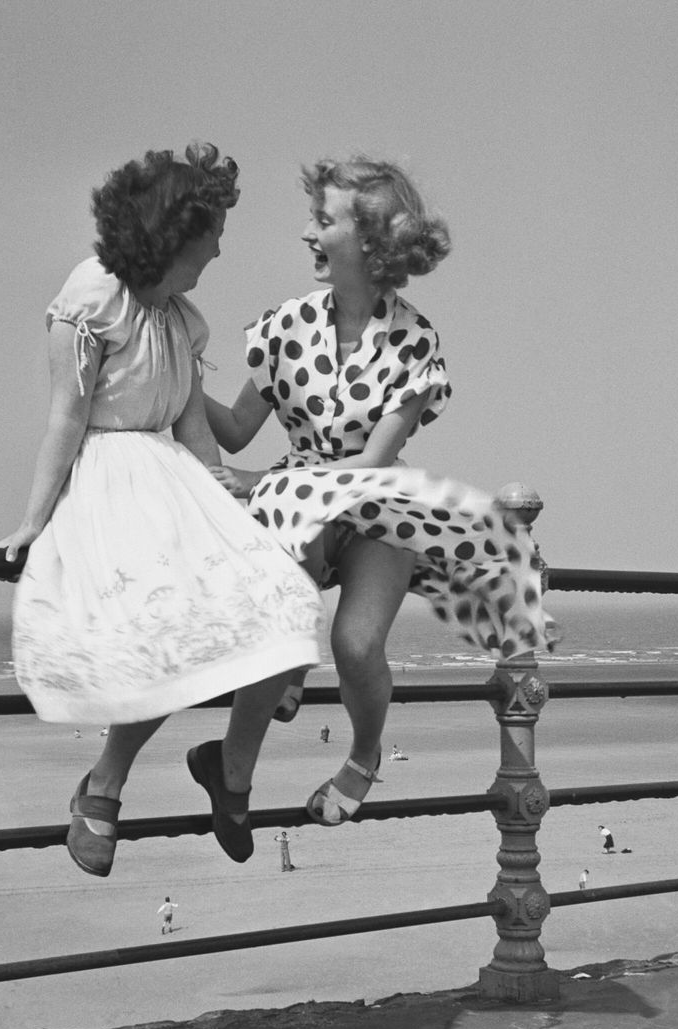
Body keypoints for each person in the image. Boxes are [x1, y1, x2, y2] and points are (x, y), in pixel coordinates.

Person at [0, 144, 323, 878]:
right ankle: (105, 785)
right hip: (112, 483)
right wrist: (33, 518)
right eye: (210, 231)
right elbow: (65, 418)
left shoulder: (181, 322)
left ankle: (229, 764)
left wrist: (234, 494)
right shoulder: (91, 299)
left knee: (287, 601)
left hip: (174, 483)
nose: (218, 247)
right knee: (167, 624)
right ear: (174, 235)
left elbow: (197, 432)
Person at [205, 156, 555, 828]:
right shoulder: (285, 327)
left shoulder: (414, 342)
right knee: (285, 583)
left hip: (374, 510)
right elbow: (238, 428)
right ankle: (252, 736)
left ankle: (362, 759)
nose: (307, 233)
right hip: (298, 509)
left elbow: (370, 464)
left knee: (358, 646)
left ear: (368, 242)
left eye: (322, 220)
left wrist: (262, 484)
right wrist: (175, 373)